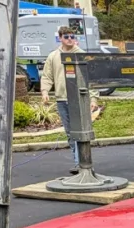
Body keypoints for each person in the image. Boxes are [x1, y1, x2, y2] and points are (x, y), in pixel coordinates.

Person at [40, 26, 85, 173]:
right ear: (60, 38)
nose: (70, 39)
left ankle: (81, 163)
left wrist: (93, 99)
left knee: (80, 131)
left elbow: (89, 78)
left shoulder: (81, 55)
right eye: (67, 37)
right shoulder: (53, 56)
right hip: (61, 99)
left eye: (72, 36)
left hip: (78, 98)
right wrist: (45, 91)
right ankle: (78, 161)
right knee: (70, 133)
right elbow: (47, 76)